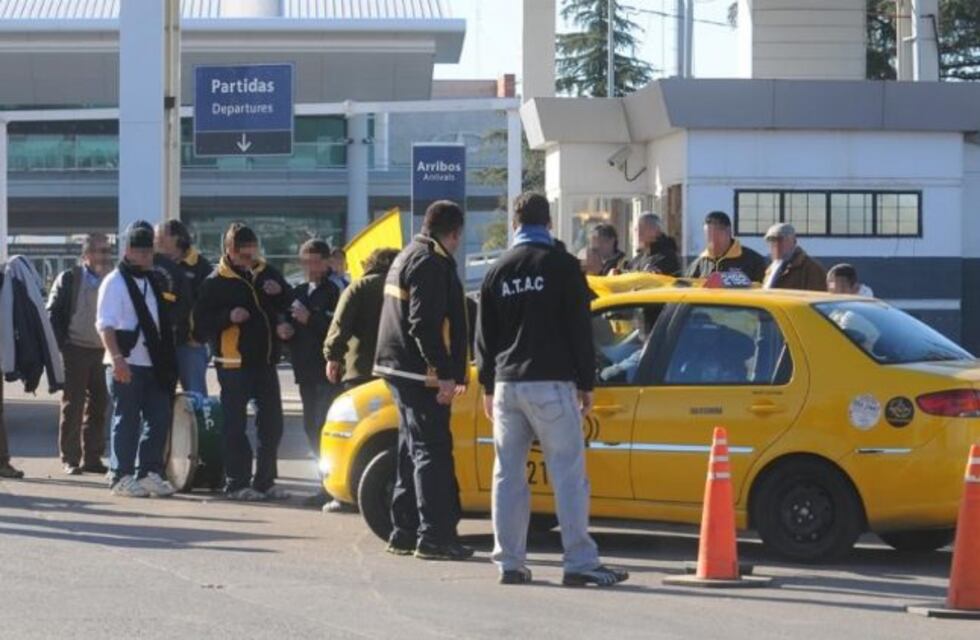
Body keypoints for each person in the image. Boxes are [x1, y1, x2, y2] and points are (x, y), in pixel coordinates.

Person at [476, 192, 628, 587]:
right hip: (552, 383)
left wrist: (487, 386)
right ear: (548, 224)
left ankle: (510, 562)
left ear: (515, 224)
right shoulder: (562, 266)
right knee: (568, 474)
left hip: (508, 385)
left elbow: (484, 336)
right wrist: (586, 382)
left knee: (507, 475)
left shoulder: (498, 269)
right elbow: (580, 328)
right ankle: (578, 562)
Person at [374, 200, 472, 561]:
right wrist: (444, 373)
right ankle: (434, 536)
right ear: (454, 233)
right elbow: (423, 323)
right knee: (432, 451)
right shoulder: (431, 262)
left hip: (400, 368)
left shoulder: (409, 254)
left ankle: (405, 530)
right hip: (420, 373)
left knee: (409, 449)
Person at [193, 223, 293, 502]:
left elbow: (288, 305)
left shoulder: (267, 272)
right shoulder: (215, 282)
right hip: (233, 363)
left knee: (272, 424)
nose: (251, 259)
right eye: (245, 255)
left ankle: (265, 481)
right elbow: (199, 326)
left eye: (254, 253)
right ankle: (237, 482)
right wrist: (228, 317)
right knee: (235, 426)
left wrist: (280, 296)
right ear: (230, 251)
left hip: (266, 361)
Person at [96, 222, 178, 498]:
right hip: (126, 362)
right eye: (141, 252)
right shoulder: (114, 282)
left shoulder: (153, 280)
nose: (146, 257)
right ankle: (121, 475)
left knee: (159, 417)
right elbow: (104, 325)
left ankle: (148, 472)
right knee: (127, 419)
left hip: (154, 362)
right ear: (128, 251)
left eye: (149, 252)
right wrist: (117, 358)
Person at [47, 233, 112, 475]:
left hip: (104, 351)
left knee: (99, 405)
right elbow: (53, 312)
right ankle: (71, 459)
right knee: (73, 405)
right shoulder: (69, 279)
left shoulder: (114, 279)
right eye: (99, 251)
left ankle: (93, 458)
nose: (104, 256)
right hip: (75, 349)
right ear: (85, 255)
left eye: (107, 251)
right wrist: (61, 344)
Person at [283, 239, 341, 508]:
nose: (310, 267)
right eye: (305, 262)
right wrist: (285, 331)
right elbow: (288, 321)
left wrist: (311, 319)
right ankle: (323, 482)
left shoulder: (336, 289)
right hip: (305, 371)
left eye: (315, 261)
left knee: (324, 426)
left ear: (328, 261)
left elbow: (338, 328)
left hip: (328, 372)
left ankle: (332, 486)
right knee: (310, 426)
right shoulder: (300, 290)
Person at [325, 247, 399, 391]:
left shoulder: (358, 287)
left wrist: (333, 356)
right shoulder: (406, 287)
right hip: (398, 371)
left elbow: (341, 325)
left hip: (360, 369)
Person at [155, 220, 213, 395]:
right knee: (159, 399)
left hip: (189, 344)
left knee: (195, 398)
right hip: (161, 345)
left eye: (160, 236)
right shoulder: (155, 264)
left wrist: (199, 336)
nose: (155, 240)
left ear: (177, 238)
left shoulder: (201, 267)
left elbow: (209, 305)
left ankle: (199, 424)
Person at [686, 211, 767, 284]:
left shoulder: (753, 261)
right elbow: (686, 290)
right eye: (708, 237)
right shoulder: (700, 263)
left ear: (728, 232)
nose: (712, 242)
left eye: (716, 236)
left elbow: (765, 291)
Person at [762, 223, 827, 291]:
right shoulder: (771, 268)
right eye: (770, 240)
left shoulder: (811, 268)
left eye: (779, 239)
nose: (775, 245)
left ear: (793, 241)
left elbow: (818, 297)